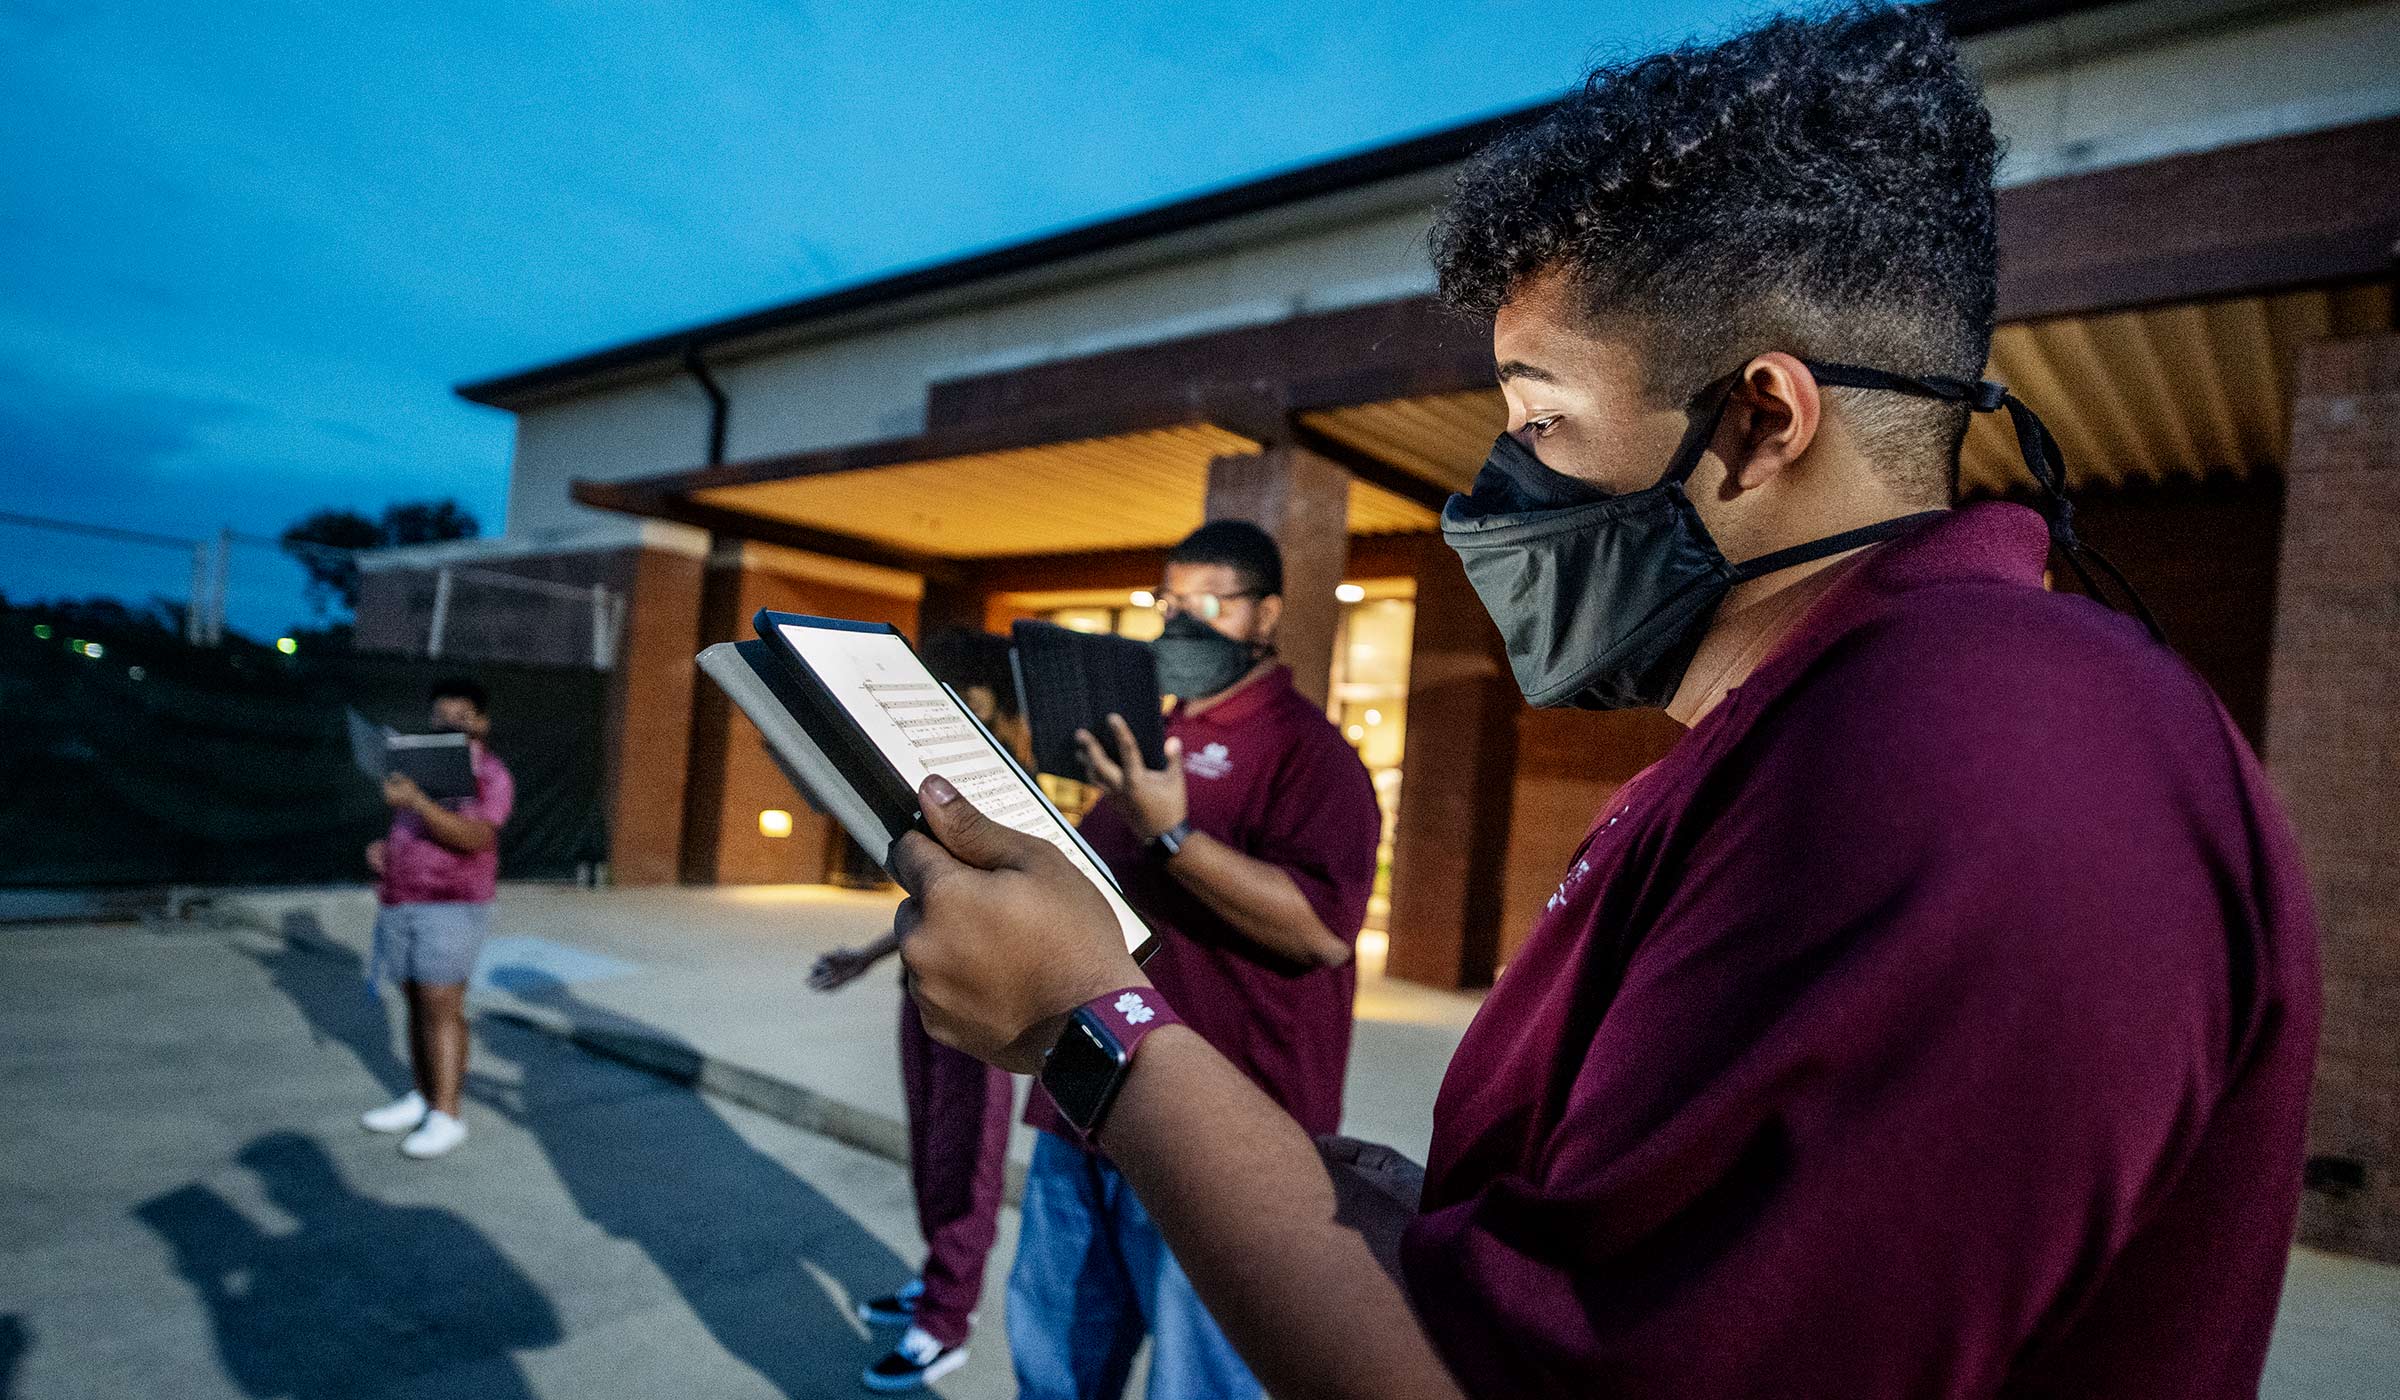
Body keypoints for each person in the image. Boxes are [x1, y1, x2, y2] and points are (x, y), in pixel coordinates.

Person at [880, 7, 2321, 1399]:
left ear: (1758, 423)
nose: (1493, 493)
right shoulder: (1812, 732)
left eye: (1540, 418)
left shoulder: (1979, 756)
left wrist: (1089, 1028)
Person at [998, 519, 1382, 1400]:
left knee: (1201, 1383)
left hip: (1221, 1134)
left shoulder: (1310, 754)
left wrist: (1170, 833)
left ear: (1266, 615)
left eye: (1210, 603)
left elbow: (1321, 931)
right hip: (1083, 1106)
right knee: (1054, 1368)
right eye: (1169, 602)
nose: (1181, 623)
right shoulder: (1144, 733)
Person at [809, 628, 1021, 1393]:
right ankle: (936, 1282)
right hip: (924, 996)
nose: (950, 703)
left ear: (995, 703)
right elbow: (928, 900)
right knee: (932, 1153)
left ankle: (947, 1322)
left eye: (965, 691)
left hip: (984, 1009)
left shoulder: (1000, 788)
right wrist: (866, 958)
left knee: (968, 1164)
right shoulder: (931, 782)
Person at [359, 676, 514, 1160]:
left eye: (462, 717)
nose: (450, 725)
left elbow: (476, 839)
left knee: (441, 1005)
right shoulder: (417, 773)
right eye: (442, 716)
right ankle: (422, 1097)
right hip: (402, 901)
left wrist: (418, 804)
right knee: (414, 1001)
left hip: (454, 904)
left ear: (482, 723)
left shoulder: (490, 775)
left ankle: (446, 1115)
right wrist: (386, 850)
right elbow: (413, 832)